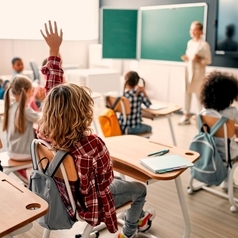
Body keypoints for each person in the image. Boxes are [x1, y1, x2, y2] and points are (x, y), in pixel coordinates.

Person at [38, 21, 155, 238]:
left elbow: (53, 92)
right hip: (90, 203)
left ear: (50, 110)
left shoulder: (44, 134)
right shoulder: (91, 143)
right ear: (83, 112)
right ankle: (129, 232)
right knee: (140, 189)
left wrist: (53, 52)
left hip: (63, 198)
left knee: (121, 183)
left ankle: (136, 220)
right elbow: (106, 180)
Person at [200, 71, 238, 188]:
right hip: (228, 154)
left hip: (208, 150)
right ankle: (227, 182)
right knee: (232, 145)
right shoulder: (232, 112)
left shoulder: (204, 112)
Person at [2, 74, 41, 181]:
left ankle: (26, 170)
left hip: (11, 152)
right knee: (46, 152)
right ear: (28, 91)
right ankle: (29, 173)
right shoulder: (25, 110)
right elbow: (42, 119)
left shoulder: (10, 107)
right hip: (24, 154)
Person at [179, 21, 212, 125]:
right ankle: (186, 115)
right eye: (191, 29)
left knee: (199, 97)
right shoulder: (190, 43)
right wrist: (186, 58)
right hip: (188, 73)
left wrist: (198, 59)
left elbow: (208, 61)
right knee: (187, 94)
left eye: (195, 29)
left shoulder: (204, 45)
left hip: (198, 75)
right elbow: (189, 58)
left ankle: (202, 118)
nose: (192, 31)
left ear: (200, 31)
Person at [119, 71, 152, 135]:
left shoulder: (123, 96)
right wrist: (144, 91)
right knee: (149, 128)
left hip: (122, 127)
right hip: (133, 128)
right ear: (137, 82)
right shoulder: (139, 94)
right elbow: (149, 104)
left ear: (126, 82)